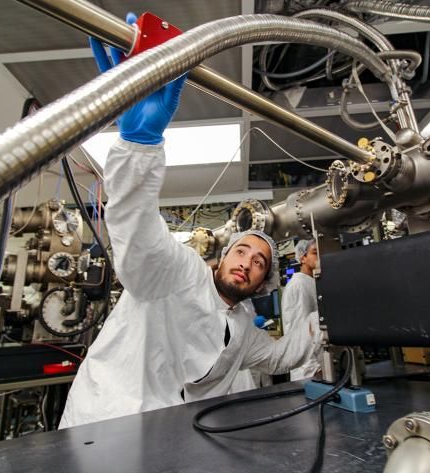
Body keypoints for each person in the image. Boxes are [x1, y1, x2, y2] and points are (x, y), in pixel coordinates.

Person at [58, 16, 319, 428]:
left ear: (264, 282)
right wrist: (139, 148)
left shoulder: (243, 330)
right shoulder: (182, 274)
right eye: (242, 251)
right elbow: (139, 237)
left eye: (259, 263)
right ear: (220, 257)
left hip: (174, 439)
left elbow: (281, 357)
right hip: (106, 423)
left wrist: (326, 319)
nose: (247, 263)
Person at [282, 239, 321, 381]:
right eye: (315, 253)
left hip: (321, 363)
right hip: (309, 371)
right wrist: (313, 368)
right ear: (302, 258)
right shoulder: (299, 285)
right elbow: (300, 331)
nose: (319, 257)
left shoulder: (312, 282)